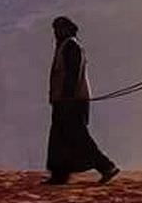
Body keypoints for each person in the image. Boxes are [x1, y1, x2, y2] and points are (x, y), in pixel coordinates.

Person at [44, 16, 119, 185]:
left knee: (77, 136)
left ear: (68, 29)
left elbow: (72, 75)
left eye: (59, 29)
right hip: (65, 100)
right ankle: (60, 174)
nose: (57, 32)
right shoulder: (66, 46)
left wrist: (66, 97)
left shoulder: (71, 46)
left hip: (71, 101)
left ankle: (106, 166)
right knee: (61, 137)